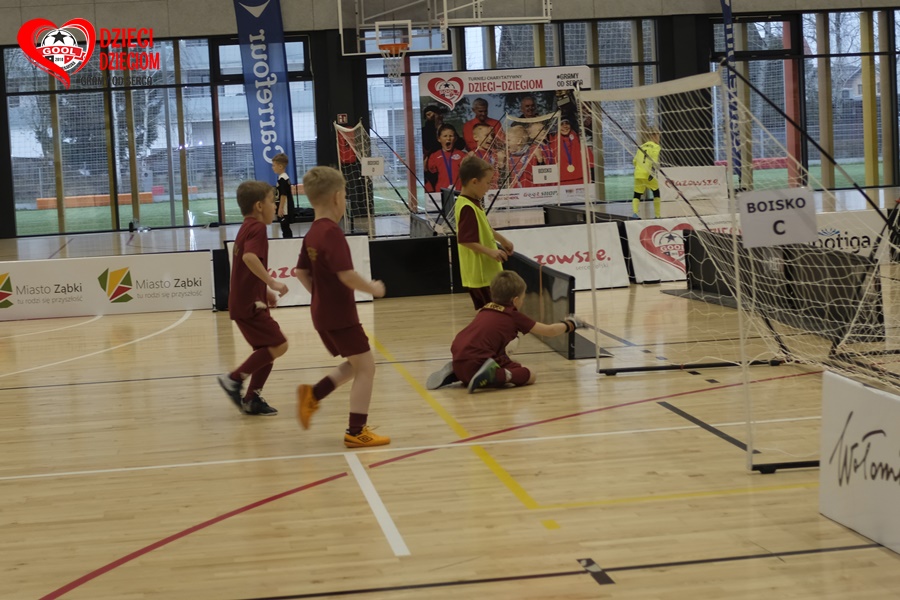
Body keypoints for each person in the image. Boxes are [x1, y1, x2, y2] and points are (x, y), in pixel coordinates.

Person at [294, 166, 390, 448]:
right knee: (367, 368)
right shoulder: (331, 233)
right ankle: (356, 431)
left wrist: (320, 296)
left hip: (323, 312)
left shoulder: (312, 233)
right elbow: (346, 275)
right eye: (345, 195)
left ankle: (313, 395)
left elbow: (300, 272)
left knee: (355, 364)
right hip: (339, 314)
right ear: (337, 197)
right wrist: (372, 288)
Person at [426, 271, 585, 393]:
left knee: (500, 362)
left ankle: (458, 371)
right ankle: (492, 375)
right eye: (522, 298)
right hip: (477, 359)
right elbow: (549, 331)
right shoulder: (512, 315)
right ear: (515, 300)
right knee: (530, 375)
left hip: (460, 353)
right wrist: (571, 324)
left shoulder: (485, 308)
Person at [217, 181, 289, 416]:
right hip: (249, 304)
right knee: (279, 344)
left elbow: (244, 267)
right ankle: (234, 379)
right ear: (259, 206)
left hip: (246, 300)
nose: (274, 205)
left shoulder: (246, 227)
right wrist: (273, 283)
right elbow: (249, 258)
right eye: (271, 201)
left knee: (266, 351)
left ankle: (252, 399)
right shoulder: (257, 228)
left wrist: (264, 291)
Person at [454, 155, 514, 310]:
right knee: (496, 313)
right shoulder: (467, 207)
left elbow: (484, 227)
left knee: (493, 313)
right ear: (474, 182)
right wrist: (491, 252)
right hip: (481, 274)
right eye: (487, 183)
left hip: (485, 274)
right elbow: (465, 240)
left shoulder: (471, 202)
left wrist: (502, 240)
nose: (488, 187)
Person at [548, 118, 592, 185]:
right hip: (560, 183)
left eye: (567, 123)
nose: (565, 126)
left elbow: (590, 163)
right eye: (561, 124)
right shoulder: (552, 144)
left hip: (581, 182)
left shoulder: (579, 141)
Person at [424, 124, 466, 193]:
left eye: (451, 136)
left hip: (460, 191)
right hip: (441, 191)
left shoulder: (462, 155)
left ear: (455, 138)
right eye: (445, 136)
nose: (448, 138)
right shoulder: (434, 156)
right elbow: (431, 176)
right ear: (439, 139)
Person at [632, 127, 662, 219]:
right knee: (656, 192)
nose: (659, 138)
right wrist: (652, 172)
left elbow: (634, 161)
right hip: (648, 173)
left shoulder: (641, 147)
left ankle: (635, 214)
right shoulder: (656, 147)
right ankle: (657, 215)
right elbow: (654, 160)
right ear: (654, 136)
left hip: (638, 173)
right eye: (658, 136)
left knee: (637, 194)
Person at [271, 153, 294, 238]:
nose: (272, 167)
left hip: (285, 208)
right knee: (284, 226)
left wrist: (280, 208)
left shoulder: (283, 179)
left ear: (280, 166)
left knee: (285, 226)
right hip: (283, 207)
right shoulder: (281, 178)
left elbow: (283, 195)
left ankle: (288, 240)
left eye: (274, 165)